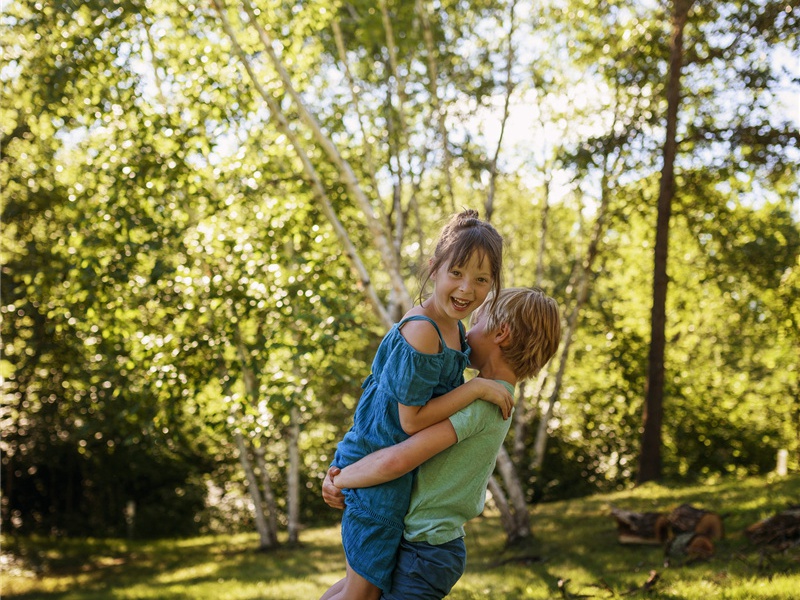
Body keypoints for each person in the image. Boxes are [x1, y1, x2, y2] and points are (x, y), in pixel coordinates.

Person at [320, 210, 512, 600]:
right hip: (378, 463)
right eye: (456, 273)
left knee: (359, 587)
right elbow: (411, 422)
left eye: (481, 279)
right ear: (434, 268)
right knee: (361, 593)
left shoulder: (454, 330)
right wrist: (477, 389)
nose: (466, 288)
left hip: (390, 467)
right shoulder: (423, 331)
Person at [323, 287, 561, 599]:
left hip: (426, 551)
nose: (466, 332)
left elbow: (399, 459)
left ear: (501, 333)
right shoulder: (485, 394)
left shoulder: (484, 403)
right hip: (422, 545)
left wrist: (342, 479)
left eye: (476, 322)